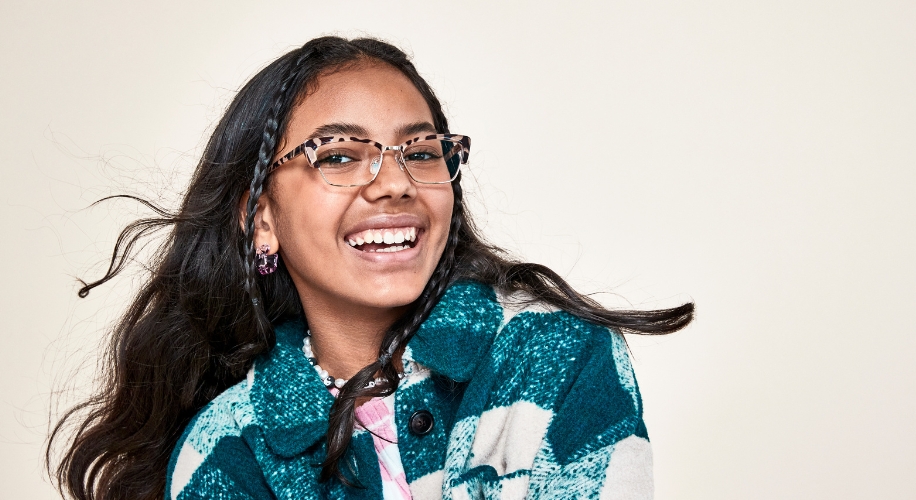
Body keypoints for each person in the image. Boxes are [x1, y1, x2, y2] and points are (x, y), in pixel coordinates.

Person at [48, 36, 693, 500]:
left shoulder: (554, 354)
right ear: (262, 217)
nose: (394, 183)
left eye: (420, 150)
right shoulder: (228, 448)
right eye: (337, 155)